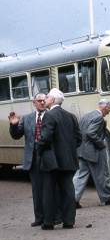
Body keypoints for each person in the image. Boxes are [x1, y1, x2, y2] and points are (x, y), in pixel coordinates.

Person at [8, 93, 62, 227]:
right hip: (32, 158)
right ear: (34, 103)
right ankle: (39, 217)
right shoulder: (27, 119)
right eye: (39, 101)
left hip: (48, 157)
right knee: (36, 188)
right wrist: (14, 125)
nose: (42, 103)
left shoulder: (52, 116)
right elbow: (16, 136)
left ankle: (56, 215)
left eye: (44, 100)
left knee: (52, 187)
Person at [38, 88, 82, 230]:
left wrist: (39, 149)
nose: (45, 99)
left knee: (49, 191)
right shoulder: (71, 116)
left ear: (52, 100)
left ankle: (49, 222)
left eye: (47, 97)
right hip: (68, 159)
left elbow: (45, 138)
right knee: (68, 190)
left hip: (52, 160)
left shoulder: (49, 116)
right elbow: (79, 139)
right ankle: (69, 221)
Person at [73, 99, 110, 208]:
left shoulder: (87, 115)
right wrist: (101, 143)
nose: (108, 113)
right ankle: (107, 197)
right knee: (102, 175)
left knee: (80, 176)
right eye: (108, 110)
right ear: (105, 107)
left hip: (83, 151)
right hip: (94, 151)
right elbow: (91, 132)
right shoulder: (98, 118)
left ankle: (72, 199)